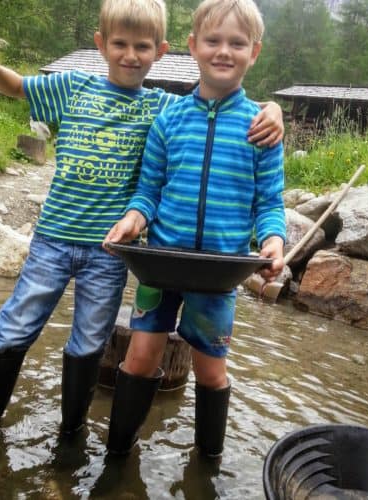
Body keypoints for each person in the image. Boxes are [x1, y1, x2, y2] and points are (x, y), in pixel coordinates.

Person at [0, 0, 284, 437]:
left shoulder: (168, 108)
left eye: (143, 47)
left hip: (130, 258)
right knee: (17, 325)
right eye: (120, 44)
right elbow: (20, 88)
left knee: (96, 342)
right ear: (101, 44)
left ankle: (73, 435)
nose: (131, 55)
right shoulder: (92, 93)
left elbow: (220, 112)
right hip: (70, 242)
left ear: (163, 51)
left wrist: (273, 109)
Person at [103, 0, 286, 457]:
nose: (224, 51)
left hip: (219, 275)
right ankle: (117, 455)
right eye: (213, 41)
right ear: (192, 47)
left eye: (237, 43)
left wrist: (273, 240)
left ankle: (208, 464)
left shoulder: (260, 128)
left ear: (254, 52)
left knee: (210, 371)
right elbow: (148, 191)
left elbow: (269, 203)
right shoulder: (169, 120)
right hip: (160, 266)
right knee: (140, 357)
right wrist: (132, 219)